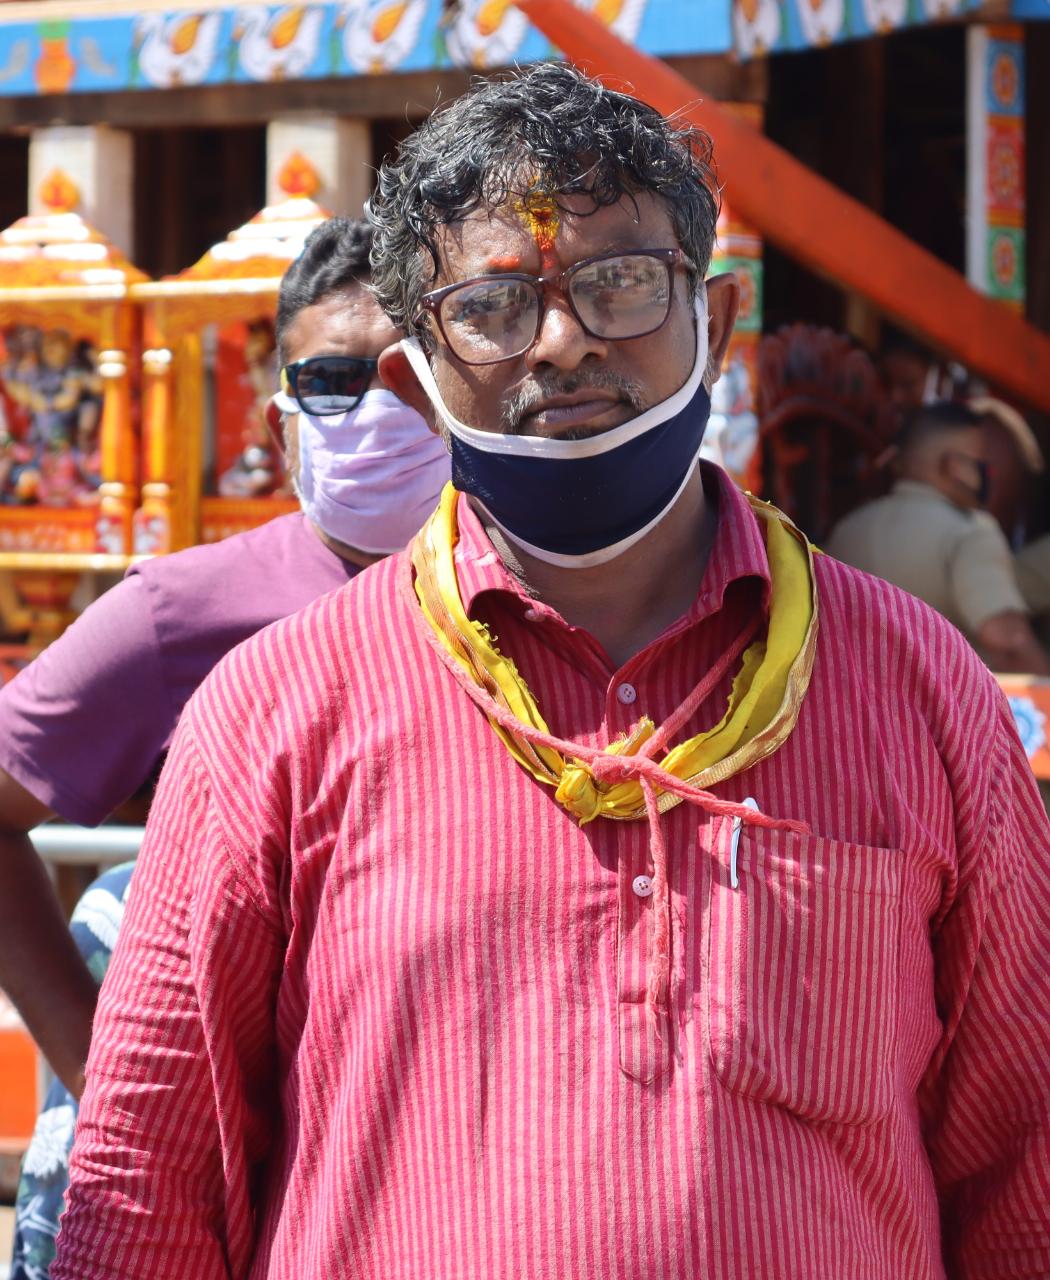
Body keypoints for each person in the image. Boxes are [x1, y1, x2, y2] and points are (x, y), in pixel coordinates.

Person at [55, 64, 1049, 1279]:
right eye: (493, 306)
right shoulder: (274, 712)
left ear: (717, 323)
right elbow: (145, 1186)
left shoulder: (920, 688)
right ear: (415, 382)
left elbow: (1025, 1164)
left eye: (620, 282)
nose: (567, 340)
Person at [2, 215, 449, 1279]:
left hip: (432, 1153)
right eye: (333, 380)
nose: (375, 409)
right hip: (229, 1175)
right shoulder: (183, 611)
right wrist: (100, 1071)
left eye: (406, 374)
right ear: (279, 413)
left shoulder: (531, 598)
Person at [826, 400, 1050, 675]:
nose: (988, 473)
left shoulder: (847, 529)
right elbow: (1008, 642)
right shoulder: (970, 531)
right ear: (953, 466)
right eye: (982, 462)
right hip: (938, 699)